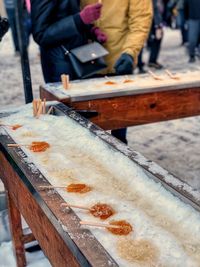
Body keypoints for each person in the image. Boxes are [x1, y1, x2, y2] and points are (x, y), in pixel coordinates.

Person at [31, 0, 152, 144]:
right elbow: (45, 30)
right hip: (83, 63)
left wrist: (129, 52)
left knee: (118, 121)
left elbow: (140, 21)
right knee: (81, 128)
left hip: (115, 61)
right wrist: (83, 22)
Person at [148, 0, 164, 69]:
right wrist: (158, 25)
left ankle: (152, 61)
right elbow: (154, 8)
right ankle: (152, 60)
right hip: (152, 20)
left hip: (151, 19)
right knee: (157, 38)